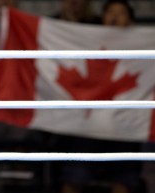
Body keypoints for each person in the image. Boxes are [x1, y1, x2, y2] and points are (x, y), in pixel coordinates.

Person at [60, 1, 142, 193]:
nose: (114, 17)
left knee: (125, 175)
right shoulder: (87, 41)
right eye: (110, 12)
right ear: (102, 16)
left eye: (120, 12)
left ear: (130, 19)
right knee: (73, 173)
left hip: (125, 123)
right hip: (87, 122)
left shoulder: (144, 43)